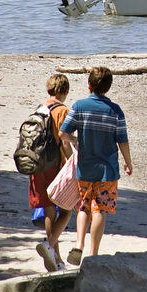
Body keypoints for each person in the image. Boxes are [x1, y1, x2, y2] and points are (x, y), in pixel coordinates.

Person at [59, 66, 132, 265]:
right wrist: (128, 162)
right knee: (99, 209)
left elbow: (63, 134)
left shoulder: (79, 106)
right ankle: (93, 253)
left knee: (83, 206)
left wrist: (77, 141)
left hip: (85, 167)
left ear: (89, 85)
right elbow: (122, 140)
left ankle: (79, 244)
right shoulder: (115, 111)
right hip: (107, 170)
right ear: (108, 87)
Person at [29, 74, 75, 272]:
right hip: (54, 165)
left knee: (49, 211)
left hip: (36, 164)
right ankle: (50, 247)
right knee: (66, 211)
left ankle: (56, 259)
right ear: (64, 92)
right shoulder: (62, 110)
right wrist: (72, 160)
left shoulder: (40, 108)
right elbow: (64, 140)